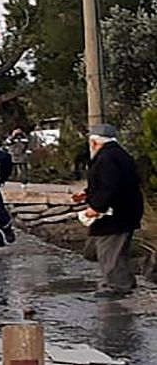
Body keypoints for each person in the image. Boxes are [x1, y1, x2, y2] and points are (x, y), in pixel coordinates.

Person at [72, 124, 143, 296]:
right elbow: (109, 182)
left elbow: (109, 187)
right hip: (127, 211)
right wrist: (87, 193)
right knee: (117, 250)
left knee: (109, 250)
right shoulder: (118, 154)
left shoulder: (106, 158)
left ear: (95, 142)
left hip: (115, 214)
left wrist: (96, 207)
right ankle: (125, 281)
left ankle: (116, 286)